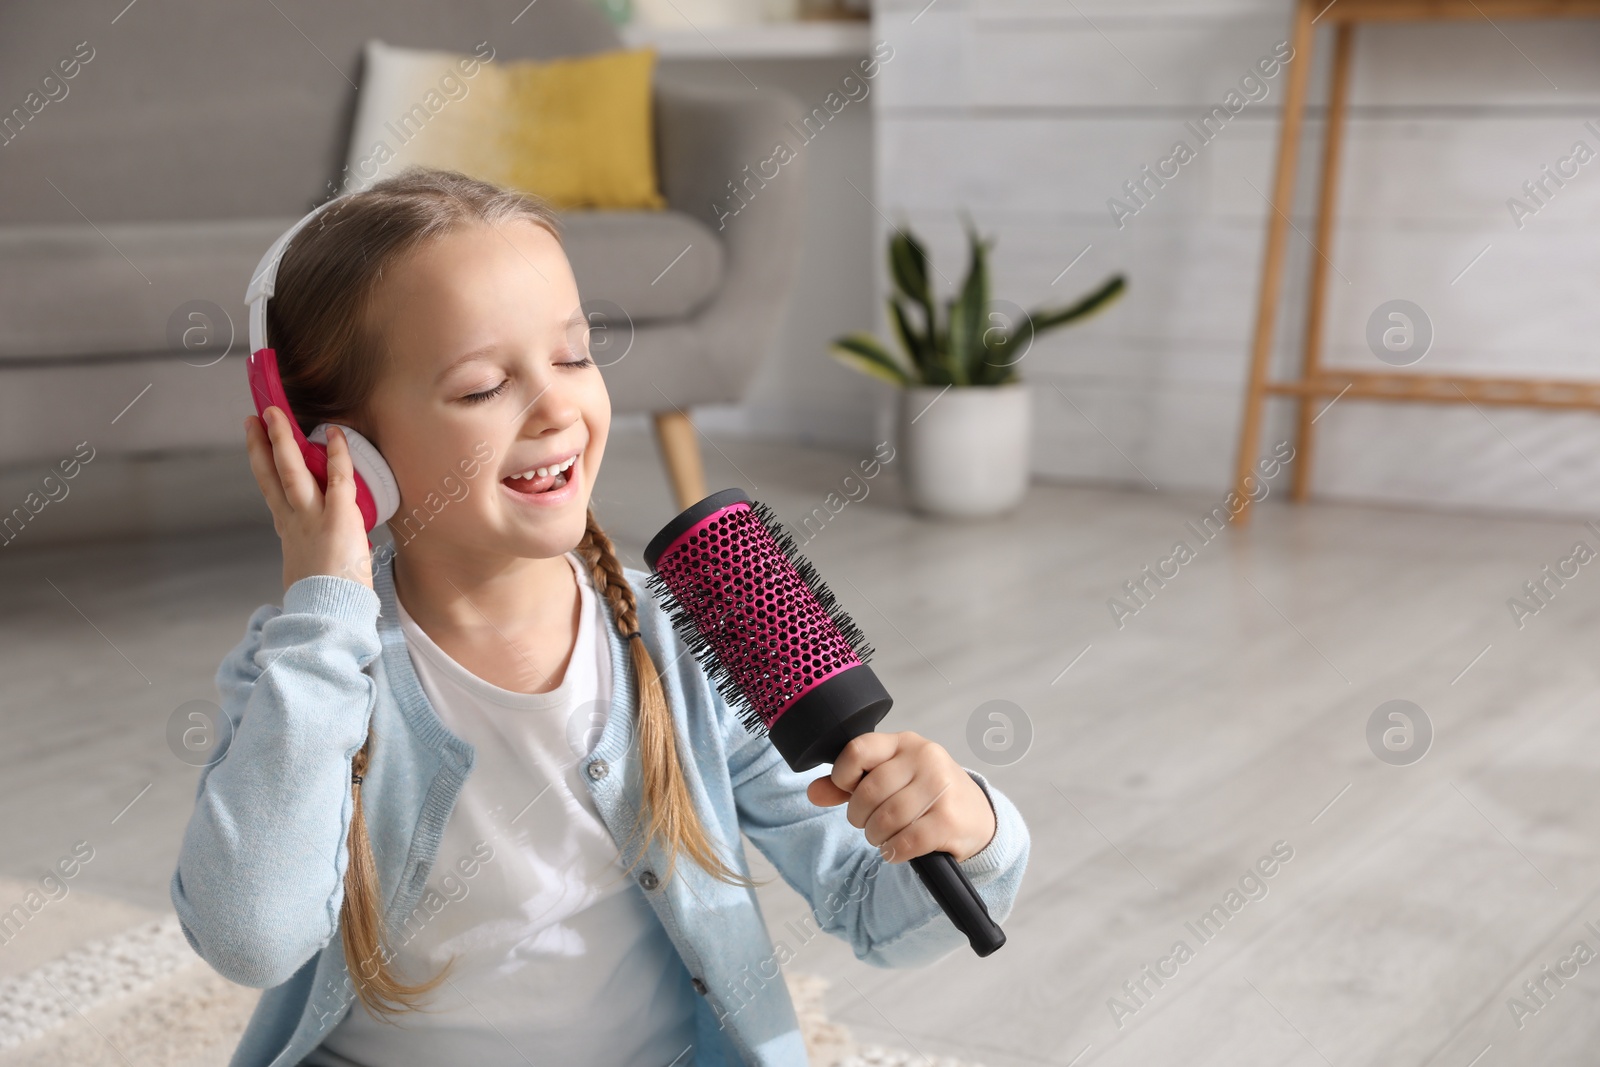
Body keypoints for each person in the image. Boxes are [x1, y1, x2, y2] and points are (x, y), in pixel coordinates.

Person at [169, 166, 1030, 1067]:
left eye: (575, 355)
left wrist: (968, 828)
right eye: (478, 387)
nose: (556, 407)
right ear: (334, 450)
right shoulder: (305, 669)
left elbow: (878, 915)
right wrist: (326, 607)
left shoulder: (689, 647)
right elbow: (251, 937)